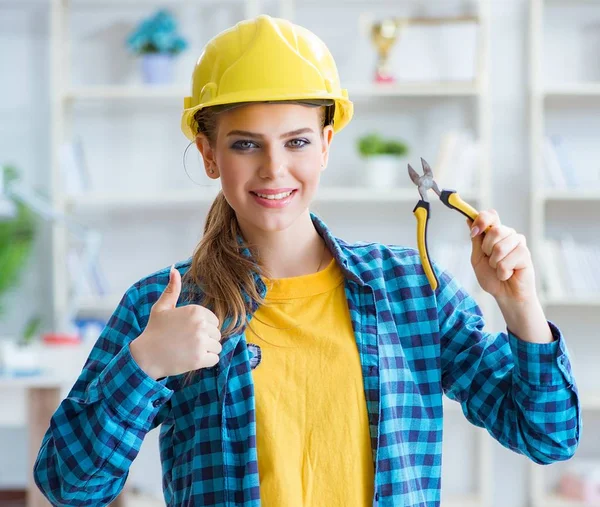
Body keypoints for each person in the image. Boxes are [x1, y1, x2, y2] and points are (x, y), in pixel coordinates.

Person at [33, 14, 580, 507]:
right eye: (246, 144)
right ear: (208, 154)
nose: (274, 169)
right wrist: (144, 365)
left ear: (325, 144)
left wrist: (521, 309)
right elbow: (68, 485)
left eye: (295, 142)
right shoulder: (166, 306)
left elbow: (547, 436)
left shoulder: (412, 291)